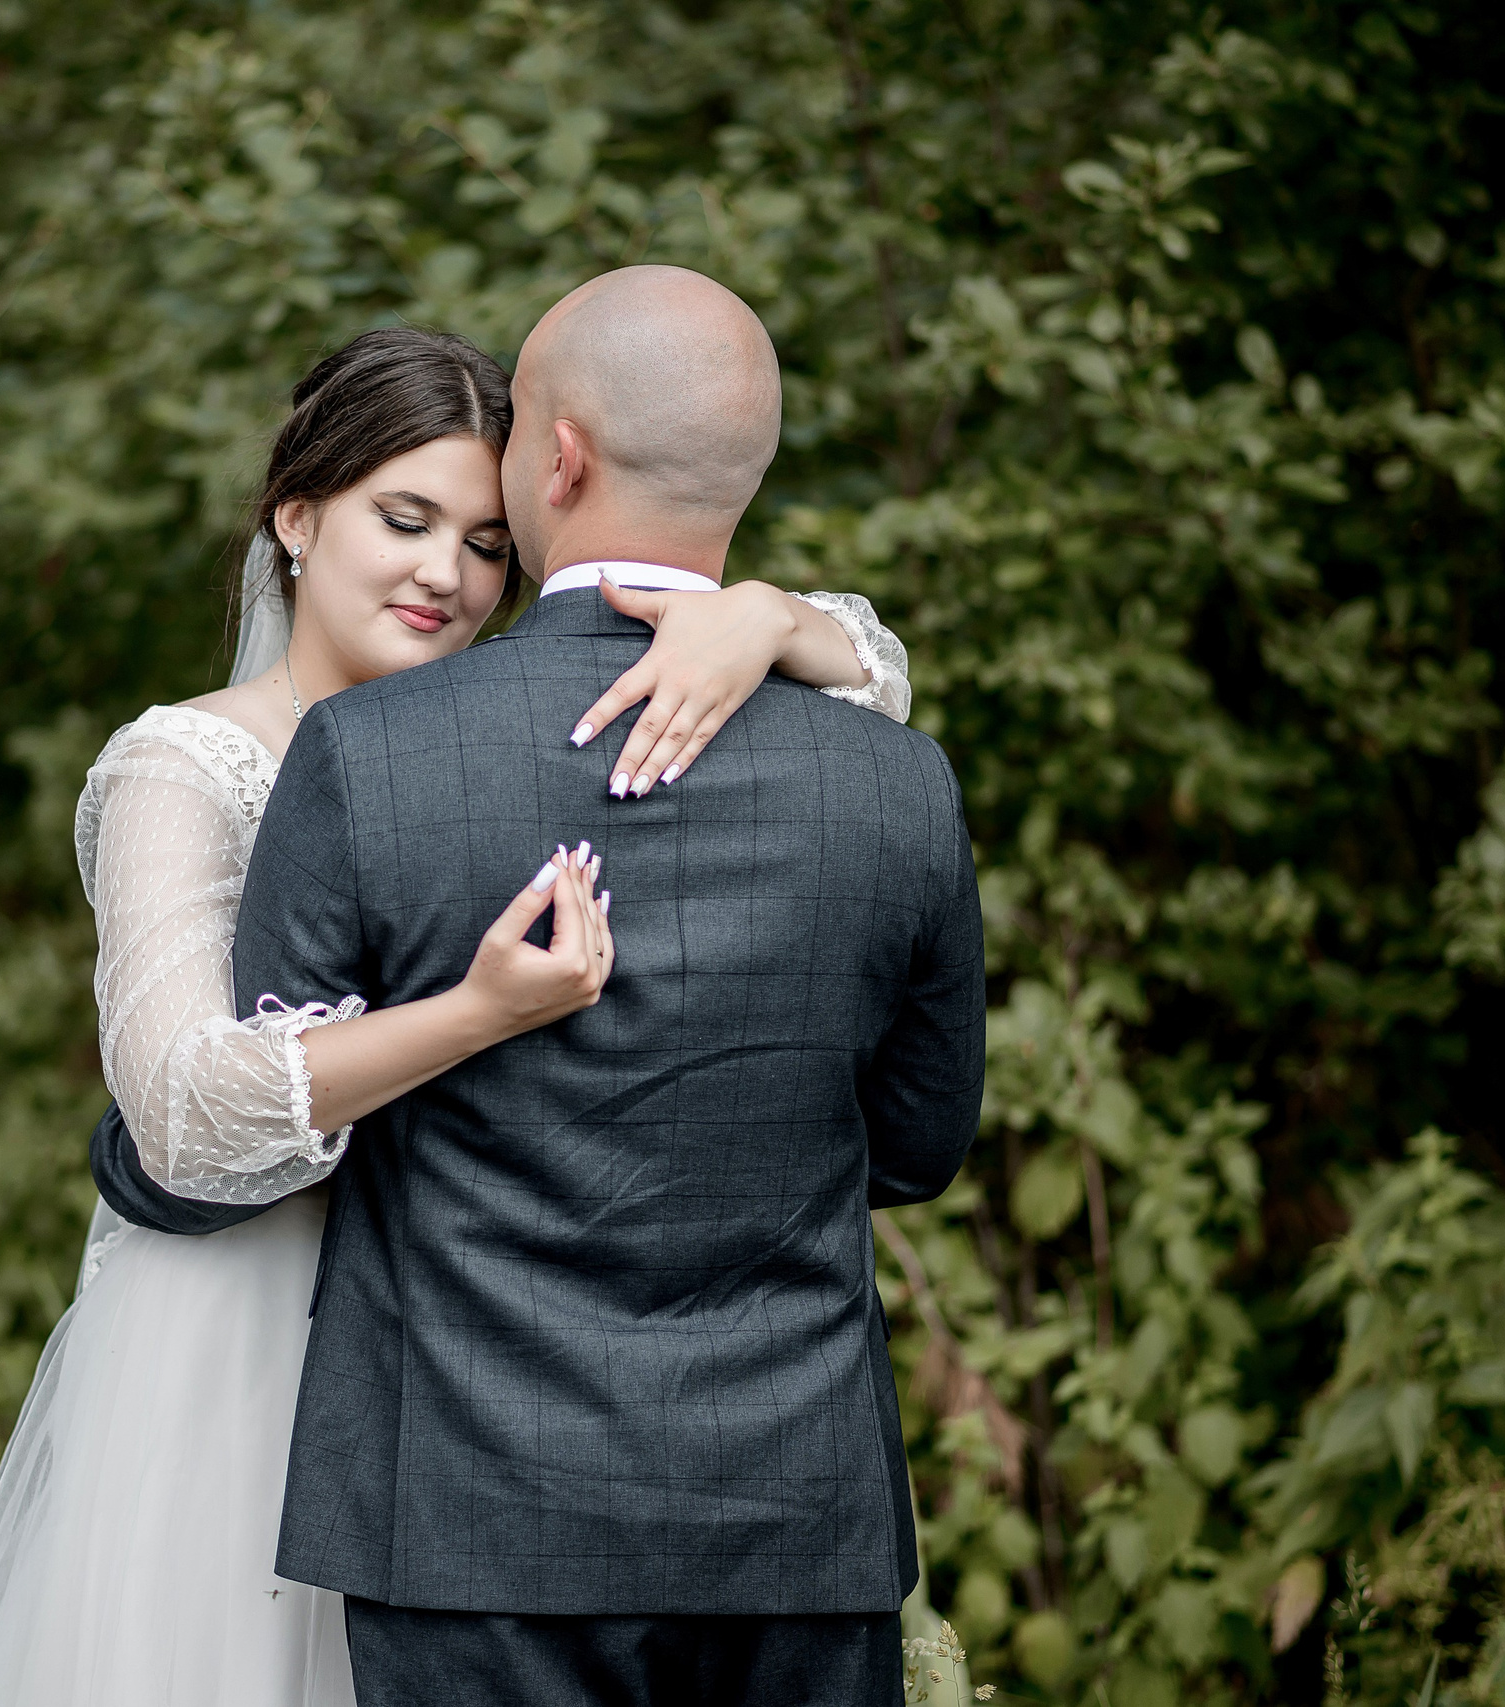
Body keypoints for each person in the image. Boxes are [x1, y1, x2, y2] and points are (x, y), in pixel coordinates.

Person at [0, 321, 918, 1706]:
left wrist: (767, 615)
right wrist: (475, 1012)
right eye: (404, 519)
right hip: (247, 1335)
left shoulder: (512, 738)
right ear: (296, 513)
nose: (447, 574)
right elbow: (183, 1111)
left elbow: (874, 694)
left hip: (476, 1370)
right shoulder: (186, 764)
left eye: (485, 542)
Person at [232, 268, 985, 1706]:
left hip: (467, 1519)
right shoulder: (900, 785)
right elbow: (921, 1144)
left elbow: (281, 1128)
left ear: (556, 458)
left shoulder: (372, 755)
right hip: (793, 1521)